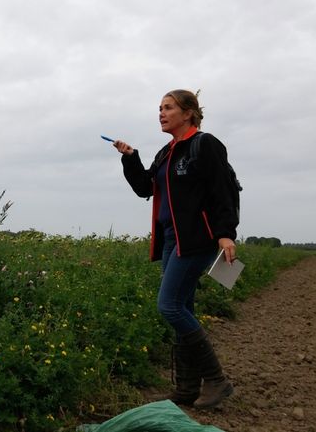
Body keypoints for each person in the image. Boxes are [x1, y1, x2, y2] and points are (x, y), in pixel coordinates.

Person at [113, 89, 237, 408]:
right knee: (184, 308)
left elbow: (223, 189)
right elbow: (145, 188)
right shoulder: (166, 153)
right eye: (160, 108)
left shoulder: (204, 144)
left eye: (168, 108)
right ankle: (186, 389)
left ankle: (217, 379)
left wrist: (225, 234)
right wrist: (130, 157)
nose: (161, 113)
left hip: (196, 239)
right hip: (170, 239)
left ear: (188, 113)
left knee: (169, 306)